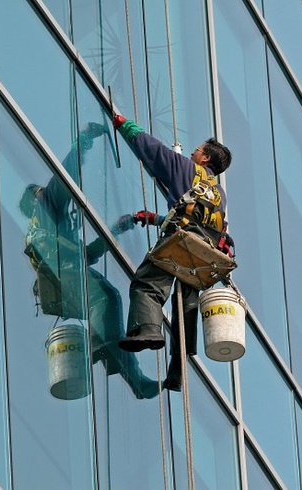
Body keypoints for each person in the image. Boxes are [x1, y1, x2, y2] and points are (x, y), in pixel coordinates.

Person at [19, 122, 159, 400]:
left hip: (63, 273)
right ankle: (103, 347)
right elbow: (65, 175)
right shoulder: (46, 208)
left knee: (109, 300)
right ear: (35, 199)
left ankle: (131, 376)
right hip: (61, 272)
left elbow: (87, 255)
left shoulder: (52, 230)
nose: (45, 191)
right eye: (39, 191)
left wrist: (119, 228)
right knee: (106, 298)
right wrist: (84, 141)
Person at [112, 115, 233, 392]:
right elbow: (194, 216)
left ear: (204, 159)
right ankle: (177, 372)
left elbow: (150, 149)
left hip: (182, 242)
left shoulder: (186, 168)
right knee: (184, 308)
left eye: (198, 150)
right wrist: (154, 218)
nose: (193, 151)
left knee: (147, 284)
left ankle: (148, 330)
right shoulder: (218, 194)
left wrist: (123, 124)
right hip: (204, 255)